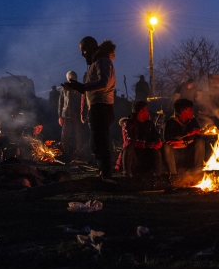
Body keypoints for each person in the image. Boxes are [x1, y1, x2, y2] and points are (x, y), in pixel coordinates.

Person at [62, 37, 116, 179]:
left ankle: (107, 176)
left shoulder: (102, 61)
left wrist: (82, 87)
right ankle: (103, 173)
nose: (82, 54)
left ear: (91, 48)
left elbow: (104, 83)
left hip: (102, 108)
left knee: (101, 143)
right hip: (97, 108)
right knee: (97, 144)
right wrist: (77, 88)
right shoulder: (97, 62)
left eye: (83, 50)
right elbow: (92, 88)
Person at [117, 100, 170, 177]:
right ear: (141, 111)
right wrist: (145, 144)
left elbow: (156, 136)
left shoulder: (149, 124)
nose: (148, 113)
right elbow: (128, 141)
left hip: (147, 158)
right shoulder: (128, 124)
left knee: (156, 149)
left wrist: (158, 142)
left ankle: (157, 177)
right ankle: (127, 176)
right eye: (147, 110)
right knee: (128, 148)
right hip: (134, 159)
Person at [163, 98, 205, 175]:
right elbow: (169, 137)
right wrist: (188, 134)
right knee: (167, 146)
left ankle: (198, 173)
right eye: (190, 110)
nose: (192, 111)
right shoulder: (171, 123)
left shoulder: (193, 121)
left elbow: (197, 136)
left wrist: (182, 142)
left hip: (189, 153)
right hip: (176, 156)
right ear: (183, 111)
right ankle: (173, 176)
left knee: (200, 142)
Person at [58, 71, 84, 162]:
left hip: (77, 115)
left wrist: (83, 114)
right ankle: (65, 153)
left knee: (78, 134)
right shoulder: (64, 87)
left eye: (74, 76)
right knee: (65, 135)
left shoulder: (79, 87)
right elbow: (61, 101)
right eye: (71, 76)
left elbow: (83, 102)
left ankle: (78, 153)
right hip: (66, 114)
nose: (72, 78)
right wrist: (60, 116)